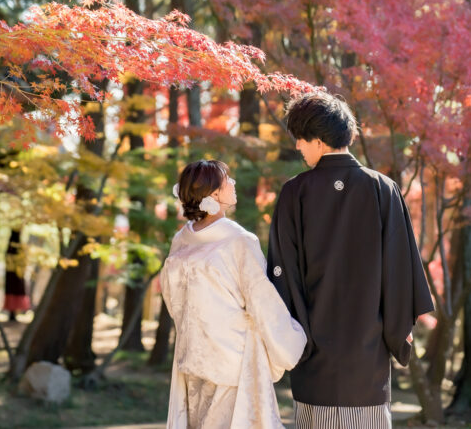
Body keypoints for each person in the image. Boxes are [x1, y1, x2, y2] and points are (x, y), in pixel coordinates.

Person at [268, 92, 435, 428]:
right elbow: (400, 271)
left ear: (317, 139)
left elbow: (282, 273)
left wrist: (297, 337)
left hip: (314, 355)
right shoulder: (382, 189)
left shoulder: (294, 192)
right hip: (368, 355)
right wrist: (398, 328)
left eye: (300, 139)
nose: (298, 147)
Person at [160, 159, 306, 429]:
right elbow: (263, 302)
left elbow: (174, 300)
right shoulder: (239, 241)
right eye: (227, 179)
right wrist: (293, 342)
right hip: (233, 362)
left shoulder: (181, 240)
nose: (234, 183)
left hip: (192, 359)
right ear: (214, 193)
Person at [2, 228, 30, 321]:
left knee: (12, 292)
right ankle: (13, 313)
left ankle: (13, 313)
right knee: (14, 292)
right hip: (16, 275)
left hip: (12, 275)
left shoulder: (11, 248)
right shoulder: (18, 248)